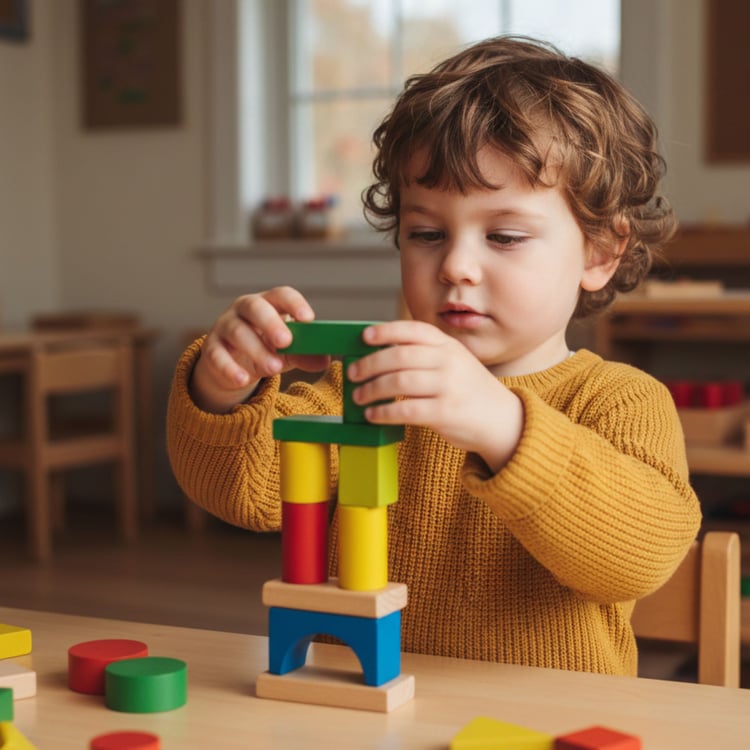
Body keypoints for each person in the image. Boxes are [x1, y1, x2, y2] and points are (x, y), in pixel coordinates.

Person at [167, 35, 701, 676]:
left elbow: (636, 560)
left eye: (503, 235)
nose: (455, 266)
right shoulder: (365, 384)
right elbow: (246, 497)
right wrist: (223, 387)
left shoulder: (621, 399)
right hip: (363, 708)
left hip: (543, 723)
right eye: (426, 233)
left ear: (599, 253)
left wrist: (503, 425)